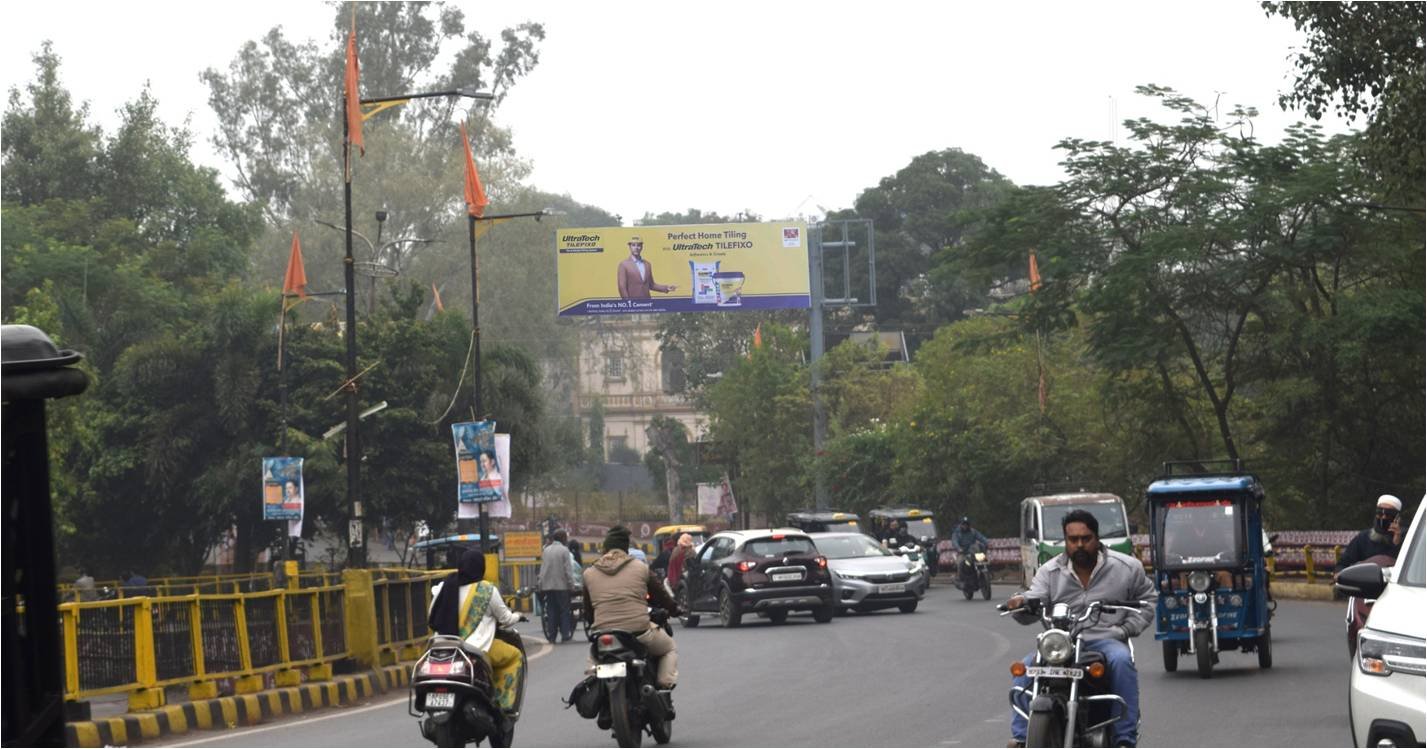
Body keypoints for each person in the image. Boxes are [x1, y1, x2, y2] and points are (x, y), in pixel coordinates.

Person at [1004, 509, 1154, 748]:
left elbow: (1148, 601)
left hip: (1107, 639)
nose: (1080, 545)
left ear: (1097, 538)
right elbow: (1035, 598)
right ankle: (1021, 739)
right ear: (1066, 541)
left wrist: (1125, 629)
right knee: (1025, 669)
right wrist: (1021, 604)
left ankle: (1124, 739)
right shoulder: (1050, 571)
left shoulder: (1127, 567)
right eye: (1073, 540)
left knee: (1122, 661)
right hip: (1061, 644)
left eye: (1086, 538)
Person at [582, 526, 681, 692]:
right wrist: (675, 609)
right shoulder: (641, 568)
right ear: (626, 548)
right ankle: (664, 683)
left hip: (604, 634)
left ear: (605, 548)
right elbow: (661, 595)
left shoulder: (589, 573)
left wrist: (598, 624)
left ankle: (593, 687)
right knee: (669, 647)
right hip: (639, 634)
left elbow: (588, 610)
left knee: (592, 663)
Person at [428, 549, 525, 711]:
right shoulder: (486, 590)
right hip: (475, 649)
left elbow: (431, 617)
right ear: (481, 568)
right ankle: (503, 704)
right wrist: (518, 615)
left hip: (443, 647)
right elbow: (506, 619)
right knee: (515, 656)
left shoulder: (444, 586)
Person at [1337, 494, 1406, 571]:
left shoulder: (1407, 537)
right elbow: (1343, 564)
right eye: (1380, 513)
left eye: (1388, 515)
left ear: (1397, 517)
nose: (1383, 518)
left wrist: (1397, 543)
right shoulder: (1363, 538)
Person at [538, 529, 577, 643]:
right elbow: (568, 570)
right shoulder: (564, 550)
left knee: (551, 611)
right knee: (564, 610)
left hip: (548, 586)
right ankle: (565, 634)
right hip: (562, 586)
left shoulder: (546, 550)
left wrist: (540, 583)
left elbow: (543, 569)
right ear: (563, 539)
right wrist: (572, 584)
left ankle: (552, 636)